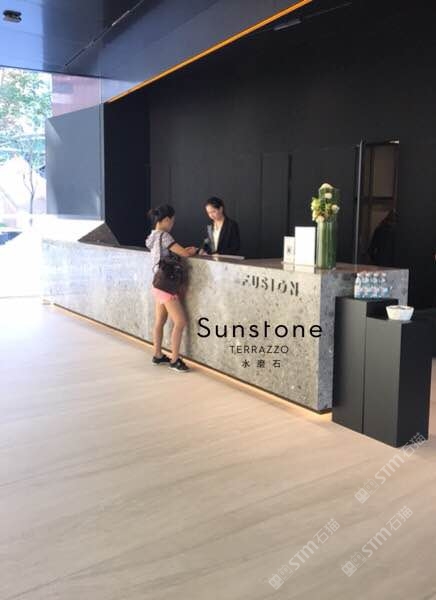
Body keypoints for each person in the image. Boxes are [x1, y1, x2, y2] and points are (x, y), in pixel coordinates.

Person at [145, 204, 197, 372]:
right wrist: (192, 250)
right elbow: (185, 254)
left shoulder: (152, 236)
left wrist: (181, 250)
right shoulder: (164, 235)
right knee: (180, 321)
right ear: (166, 220)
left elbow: (169, 252)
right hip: (166, 286)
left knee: (160, 321)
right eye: (172, 221)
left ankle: (158, 355)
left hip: (157, 283)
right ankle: (175, 360)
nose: (173, 225)